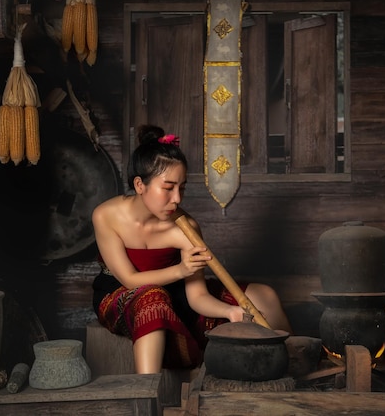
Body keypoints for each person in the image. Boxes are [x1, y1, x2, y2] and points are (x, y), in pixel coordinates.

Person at [91, 124, 292, 374]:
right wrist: (181, 269)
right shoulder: (106, 216)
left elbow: (196, 297)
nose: (177, 198)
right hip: (121, 293)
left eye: (182, 187)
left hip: (176, 294)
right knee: (152, 298)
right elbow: (130, 280)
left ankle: (289, 365)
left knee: (264, 295)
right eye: (168, 188)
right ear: (140, 184)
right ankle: (146, 393)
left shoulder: (185, 228)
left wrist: (230, 311)